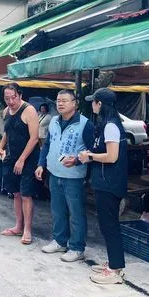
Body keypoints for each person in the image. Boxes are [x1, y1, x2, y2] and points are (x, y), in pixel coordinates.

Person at [35, 90, 95, 262]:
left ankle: (77, 248)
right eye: (58, 101)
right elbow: (47, 145)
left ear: (75, 103)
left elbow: (92, 152)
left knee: (76, 213)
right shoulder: (53, 121)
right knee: (57, 210)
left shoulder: (85, 124)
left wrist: (77, 161)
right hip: (54, 173)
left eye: (65, 101)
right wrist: (41, 164)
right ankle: (60, 241)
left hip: (74, 176)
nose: (60, 104)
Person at [78, 88, 128, 285]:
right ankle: (114, 264)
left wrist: (89, 156)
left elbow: (112, 156)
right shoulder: (107, 125)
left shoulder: (111, 126)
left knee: (110, 226)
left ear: (99, 104)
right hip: (105, 182)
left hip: (109, 183)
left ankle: (115, 270)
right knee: (107, 225)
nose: (92, 105)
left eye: (93, 102)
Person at [0, 83, 40, 245]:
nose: (10, 101)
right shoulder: (6, 111)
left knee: (26, 193)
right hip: (12, 157)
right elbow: (7, 132)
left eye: (13, 97)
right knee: (15, 193)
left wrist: (22, 159)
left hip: (28, 159)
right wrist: (0, 147)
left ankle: (27, 229)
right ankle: (18, 226)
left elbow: (34, 138)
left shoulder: (29, 110)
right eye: (7, 98)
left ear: (20, 95)